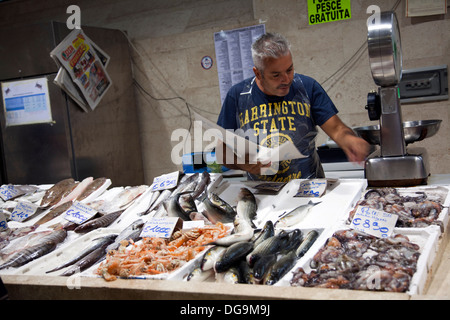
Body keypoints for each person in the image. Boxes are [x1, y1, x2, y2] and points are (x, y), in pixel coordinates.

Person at [216, 32, 369, 182]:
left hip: (308, 189)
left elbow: (336, 129)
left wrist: (349, 140)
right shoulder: (237, 96)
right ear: (258, 73)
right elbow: (221, 152)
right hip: (262, 195)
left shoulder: (308, 87)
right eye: (276, 75)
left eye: (289, 69)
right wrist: (242, 164)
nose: (286, 79)